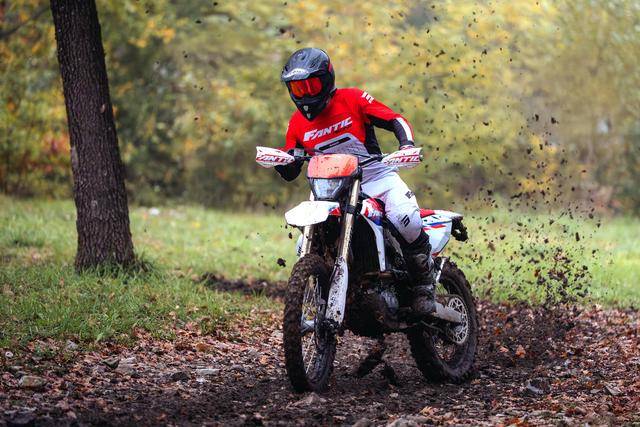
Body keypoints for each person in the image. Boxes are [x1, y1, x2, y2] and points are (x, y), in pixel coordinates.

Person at [274, 47, 436, 315]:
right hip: (331, 191)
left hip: (377, 178)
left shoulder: (353, 99)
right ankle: (329, 298)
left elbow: (395, 120)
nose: (306, 94)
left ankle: (424, 286)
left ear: (326, 80)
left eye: (311, 86)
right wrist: (282, 163)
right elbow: (291, 168)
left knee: (405, 217)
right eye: (298, 89)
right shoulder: (297, 123)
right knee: (303, 244)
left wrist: (406, 144)